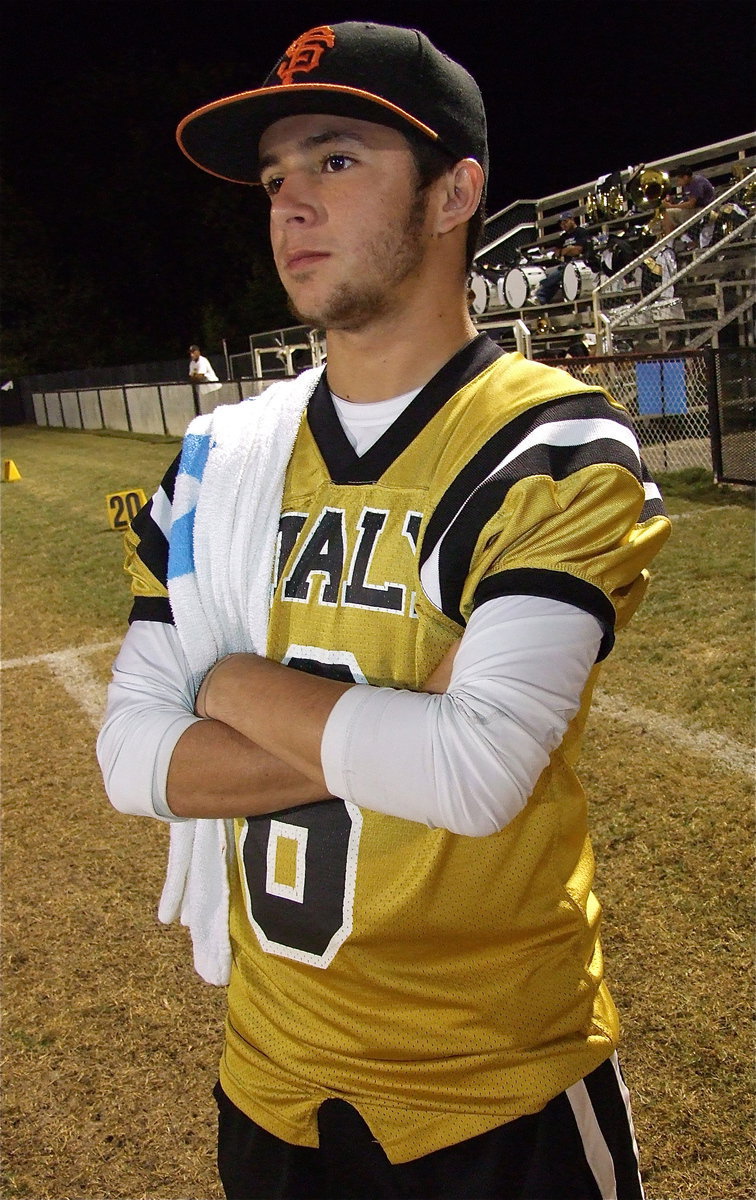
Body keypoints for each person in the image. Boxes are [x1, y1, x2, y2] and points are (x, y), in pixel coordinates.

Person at [97, 21, 671, 1200]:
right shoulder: (219, 459)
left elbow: (474, 774)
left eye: (335, 160)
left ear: (456, 188)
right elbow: (126, 758)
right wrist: (397, 723)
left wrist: (226, 686)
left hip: (492, 1082)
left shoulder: (548, 441)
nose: (288, 205)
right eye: (274, 178)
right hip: (271, 1074)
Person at [534, 210, 594, 304]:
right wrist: (568, 249)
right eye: (561, 224)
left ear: (572, 220)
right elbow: (557, 253)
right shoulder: (563, 237)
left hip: (580, 263)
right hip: (566, 264)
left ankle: (540, 291)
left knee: (560, 272)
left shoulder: (581, 232)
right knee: (557, 276)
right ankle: (541, 299)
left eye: (565, 222)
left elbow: (577, 250)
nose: (563, 225)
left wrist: (565, 251)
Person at [661, 164, 715, 237]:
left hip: (705, 211)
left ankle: (689, 241)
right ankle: (671, 245)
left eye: (679, 179)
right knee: (668, 213)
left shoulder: (696, 183)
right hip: (696, 209)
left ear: (685, 177)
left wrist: (672, 206)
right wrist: (672, 199)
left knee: (672, 214)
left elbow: (691, 204)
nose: (678, 182)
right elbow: (686, 199)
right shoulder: (688, 183)